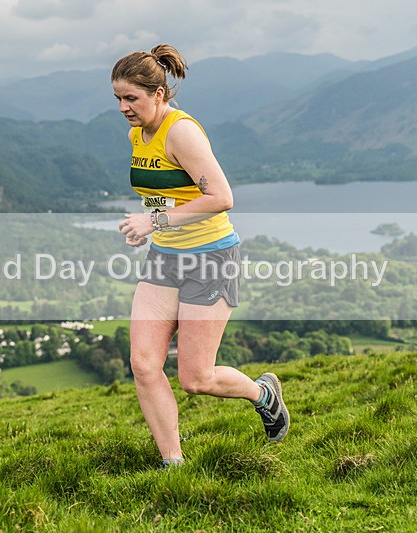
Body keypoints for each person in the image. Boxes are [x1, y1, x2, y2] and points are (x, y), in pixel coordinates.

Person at [112, 44, 290, 468]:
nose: (123, 107)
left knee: (196, 379)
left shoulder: (182, 132)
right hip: (164, 259)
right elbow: (170, 194)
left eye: (131, 98)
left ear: (159, 93)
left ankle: (264, 395)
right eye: (117, 98)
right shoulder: (138, 133)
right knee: (143, 363)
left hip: (210, 258)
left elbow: (221, 197)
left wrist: (154, 222)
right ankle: (173, 463)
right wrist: (148, 220)